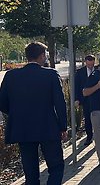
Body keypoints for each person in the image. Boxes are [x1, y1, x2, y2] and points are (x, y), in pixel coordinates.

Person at [0, 42, 67, 184]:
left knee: (30, 173)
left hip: (23, 129)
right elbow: (60, 104)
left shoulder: (11, 76)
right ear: (42, 56)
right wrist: (63, 127)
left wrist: (16, 114)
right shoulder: (50, 75)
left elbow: (2, 103)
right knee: (56, 167)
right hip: (48, 128)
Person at [74, 55, 95, 146]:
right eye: (88, 64)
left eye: (92, 64)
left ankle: (99, 136)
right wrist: (77, 99)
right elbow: (76, 86)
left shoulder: (98, 71)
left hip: (96, 99)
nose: (90, 66)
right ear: (85, 62)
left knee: (97, 118)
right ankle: (89, 137)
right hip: (85, 99)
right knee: (87, 119)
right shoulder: (80, 72)